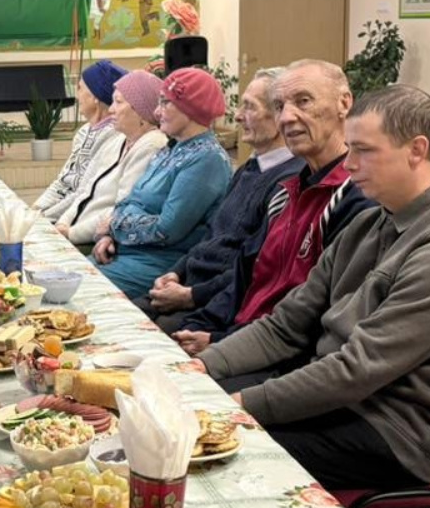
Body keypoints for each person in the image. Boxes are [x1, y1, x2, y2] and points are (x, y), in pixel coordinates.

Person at [198, 86, 430, 490]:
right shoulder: (372, 221)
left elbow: (356, 371)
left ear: (416, 150)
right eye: (350, 149)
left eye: (363, 150)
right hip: (343, 398)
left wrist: (241, 407)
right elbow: (285, 325)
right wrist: (203, 366)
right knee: (195, 399)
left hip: (390, 433)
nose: (349, 163)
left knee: (211, 452)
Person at [175, 60, 375, 355]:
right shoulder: (285, 191)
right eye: (280, 106)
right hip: (237, 337)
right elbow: (245, 277)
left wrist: (219, 341)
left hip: (278, 356)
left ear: (344, 103)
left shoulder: (356, 197)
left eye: (303, 101)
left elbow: (316, 314)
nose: (287, 117)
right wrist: (199, 324)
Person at [134, 66, 305, 332]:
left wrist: (191, 295)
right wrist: (177, 272)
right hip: (190, 284)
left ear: (279, 115)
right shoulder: (250, 169)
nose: (237, 115)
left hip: (214, 304)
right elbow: (211, 236)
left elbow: (255, 267)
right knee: (115, 319)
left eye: (250, 107)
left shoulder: (289, 181)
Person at [93, 66, 233, 297]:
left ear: (190, 109)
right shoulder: (171, 148)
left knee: (74, 289)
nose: (157, 112)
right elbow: (130, 199)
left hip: (157, 266)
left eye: (165, 103)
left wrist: (114, 226)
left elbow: (166, 230)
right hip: (124, 253)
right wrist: (108, 235)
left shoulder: (207, 159)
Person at [49, 69, 168, 248]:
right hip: (72, 232)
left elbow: (122, 207)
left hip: (96, 241)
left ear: (140, 111)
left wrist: (72, 234)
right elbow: (84, 191)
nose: (111, 109)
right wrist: (63, 223)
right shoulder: (118, 140)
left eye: (118, 102)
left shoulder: (151, 146)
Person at [33, 60, 125, 213]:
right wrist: (35, 208)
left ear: (96, 96)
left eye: (80, 88)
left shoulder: (114, 136)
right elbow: (62, 181)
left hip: (77, 216)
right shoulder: (83, 131)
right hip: (56, 214)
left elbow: (84, 192)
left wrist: (44, 216)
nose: (76, 96)